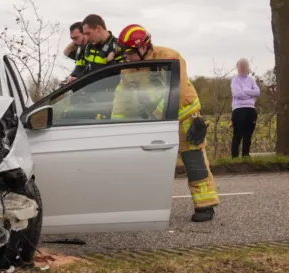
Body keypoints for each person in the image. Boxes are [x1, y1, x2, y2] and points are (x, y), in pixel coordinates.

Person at [111, 24, 219, 222]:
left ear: (142, 48)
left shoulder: (170, 57)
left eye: (129, 54)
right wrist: (116, 124)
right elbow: (123, 99)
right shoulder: (129, 69)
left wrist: (160, 116)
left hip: (184, 118)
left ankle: (205, 205)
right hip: (155, 122)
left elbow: (176, 91)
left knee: (195, 163)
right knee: (150, 166)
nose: (127, 58)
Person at [231, 58, 260, 158]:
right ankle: (234, 158)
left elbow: (257, 92)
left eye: (245, 66)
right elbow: (237, 94)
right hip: (238, 109)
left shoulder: (251, 79)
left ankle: (246, 156)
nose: (243, 68)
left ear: (248, 68)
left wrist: (245, 91)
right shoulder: (235, 80)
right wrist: (250, 93)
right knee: (238, 134)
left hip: (251, 109)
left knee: (248, 135)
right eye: (241, 66)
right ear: (237, 67)